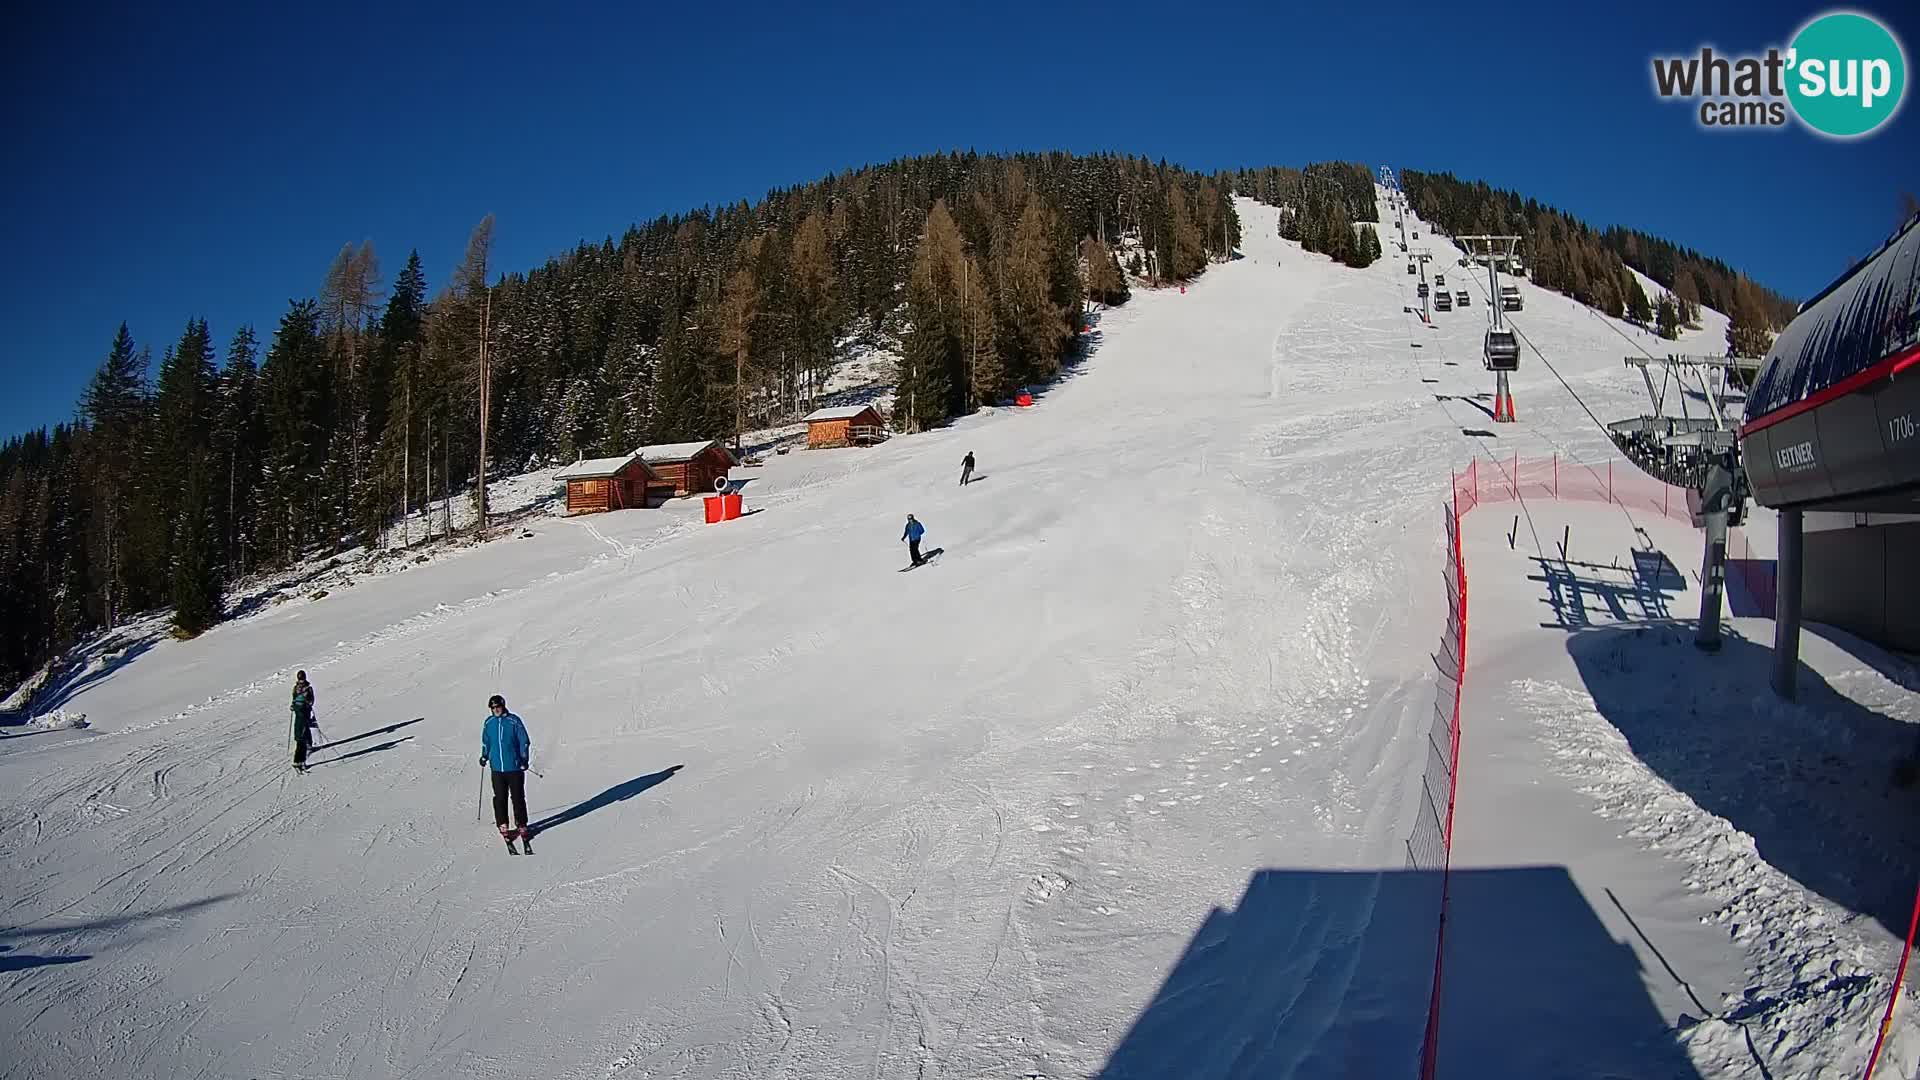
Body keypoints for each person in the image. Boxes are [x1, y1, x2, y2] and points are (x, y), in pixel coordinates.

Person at [481, 694, 533, 848]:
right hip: (497, 768)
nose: (496, 710)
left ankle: (521, 824)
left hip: (514, 767)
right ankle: (502, 824)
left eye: (498, 707)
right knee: (499, 798)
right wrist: (484, 756)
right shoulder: (489, 723)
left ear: (503, 706)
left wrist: (524, 759)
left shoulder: (513, 721)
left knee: (517, 797)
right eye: (493, 708)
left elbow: (524, 741)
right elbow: (486, 742)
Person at [290, 671, 316, 772]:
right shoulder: (296, 688)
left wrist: (307, 702)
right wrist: (293, 705)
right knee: (300, 735)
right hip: (299, 713)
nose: (301, 681)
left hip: (304, 713)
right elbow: (294, 698)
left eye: (302, 679)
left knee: (301, 735)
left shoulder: (308, 688)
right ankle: (300, 760)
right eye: (300, 679)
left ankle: (300, 760)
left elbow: (311, 701)